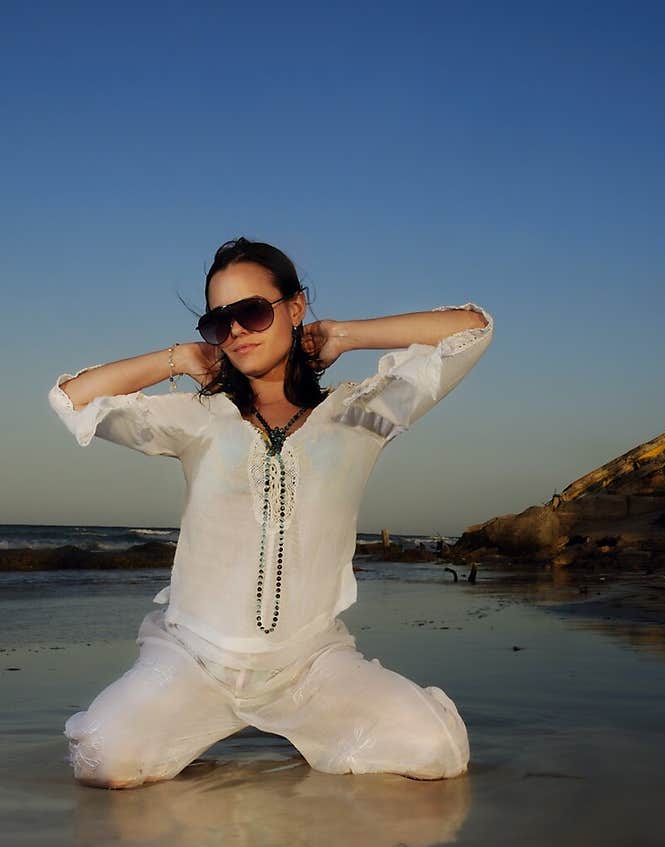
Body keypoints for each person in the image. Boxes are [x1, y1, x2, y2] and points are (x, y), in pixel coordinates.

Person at [48, 237, 494, 789]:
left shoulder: (362, 412)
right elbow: (72, 398)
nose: (235, 331)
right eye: (217, 322)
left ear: (295, 307)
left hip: (309, 664)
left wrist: (343, 335)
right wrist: (180, 358)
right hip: (194, 661)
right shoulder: (198, 417)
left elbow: (471, 329)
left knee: (438, 751)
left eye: (253, 311)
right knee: (103, 760)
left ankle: (306, 731)